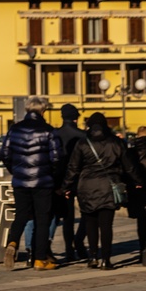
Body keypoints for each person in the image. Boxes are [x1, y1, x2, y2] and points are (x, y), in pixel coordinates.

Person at [62, 112, 145, 269]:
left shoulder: (82, 143)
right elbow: (129, 165)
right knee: (106, 225)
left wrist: (66, 186)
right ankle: (106, 259)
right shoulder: (115, 142)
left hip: (86, 188)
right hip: (109, 187)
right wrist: (137, 181)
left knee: (91, 223)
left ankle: (93, 256)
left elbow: (73, 167)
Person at [0, 96, 62, 271]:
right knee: (42, 220)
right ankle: (39, 259)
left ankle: (13, 241)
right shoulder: (48, 130)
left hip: (20, 181)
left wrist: (16, 170)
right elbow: (56, 157)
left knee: (21, 215)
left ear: (27, 110)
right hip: (42, 182)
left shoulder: (14, 129)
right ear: (43, 111)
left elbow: (4, 153)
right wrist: (52, 176)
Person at [54, 103, 88, 260]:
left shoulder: (55, 134)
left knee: (67, 217)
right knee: (87, 213)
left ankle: (69, 250)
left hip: (61, 180)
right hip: (81, 178)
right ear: (76, 117)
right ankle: (79, 241)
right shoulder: (82, 135)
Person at [126, 126, 146, 254]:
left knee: (142, 221)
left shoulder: (131, 151)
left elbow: (127, 169)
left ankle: (143, 248)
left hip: (138, 188)